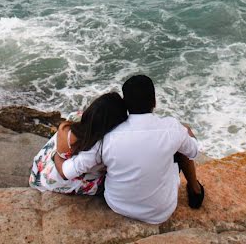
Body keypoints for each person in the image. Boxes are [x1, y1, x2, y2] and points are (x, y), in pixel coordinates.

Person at [54, 74, 204, 224]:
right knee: (180, 145)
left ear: (126, 104)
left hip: (118, 205)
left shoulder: (107, 137)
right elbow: (193, 151)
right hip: (160, 212)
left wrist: (57, 154)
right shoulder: (172, 128)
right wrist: (185, 130)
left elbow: (66, 172)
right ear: (154, 102)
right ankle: (195, 189)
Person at [29, 91, 128, 195]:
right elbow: (64, 173)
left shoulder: (74, 118)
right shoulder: (96, 147)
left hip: (41, 168)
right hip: (56, 179)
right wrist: (57, 156)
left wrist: (58, 152)